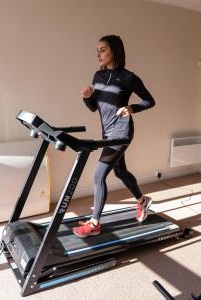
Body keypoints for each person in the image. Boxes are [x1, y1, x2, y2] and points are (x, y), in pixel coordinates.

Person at [72, 35, 155, 238]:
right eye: (97, 50)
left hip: (122, 131)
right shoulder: (97, 77)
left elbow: (149, 100)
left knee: (98, 175)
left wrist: (131, 107)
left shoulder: (128, 77)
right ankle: (142, 201)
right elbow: (94, 108)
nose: (97, 54)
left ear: (114, 51)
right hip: (107, 131)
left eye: (102, 50)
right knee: (120, 172)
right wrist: (87, 98)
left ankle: (94, 223)